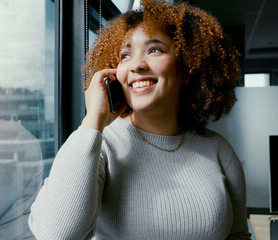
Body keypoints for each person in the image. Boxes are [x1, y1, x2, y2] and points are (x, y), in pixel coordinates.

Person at [29, 0, 251, 239]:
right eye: (125, 55)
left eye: (154, 49)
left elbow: (238, 235)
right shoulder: (99, 145)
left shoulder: (218, 150)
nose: (136, 65)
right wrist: (94, 117)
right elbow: (57, 235)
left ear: (186, 67)